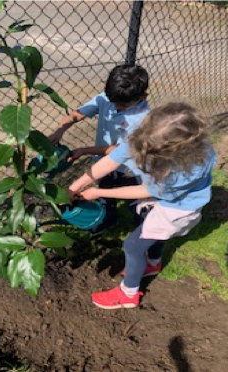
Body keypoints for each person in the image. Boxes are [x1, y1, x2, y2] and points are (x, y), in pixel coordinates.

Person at [69, 102, 216, 309]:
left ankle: (128, 293)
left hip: (178, 208)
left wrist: (99, 192)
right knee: (153, 231)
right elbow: (111, 160)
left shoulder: (188, 169)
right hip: (165, 197)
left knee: (133, 245)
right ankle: (152, 264)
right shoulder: (147, 136)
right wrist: (75, 186)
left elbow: (147, 191)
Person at [49, 64, 150, 233]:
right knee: (105, 192)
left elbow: (119, 152)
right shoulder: (107, 98)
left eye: (123, 106)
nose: (116, 108)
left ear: (143, 96)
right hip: (104, 164)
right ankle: (109, 220)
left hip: (130, 168)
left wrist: (84, 150)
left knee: (136, 199)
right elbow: (79, 113)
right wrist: (60, 130)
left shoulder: (143, 120)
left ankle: (146, 226)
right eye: (113, 102)